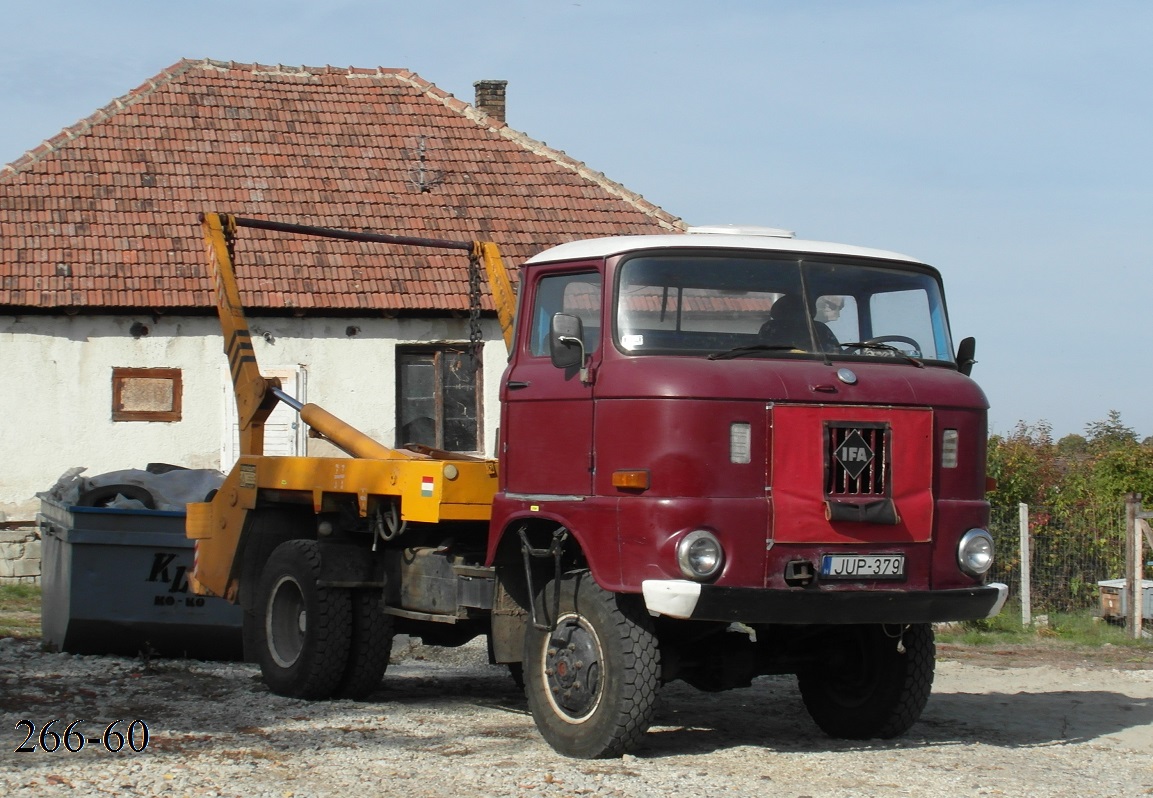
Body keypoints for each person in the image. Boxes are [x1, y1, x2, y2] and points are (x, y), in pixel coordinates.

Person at [759, 294, 840, 352]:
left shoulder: (819, 329)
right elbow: (761, 352)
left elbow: (836, 354)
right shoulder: (771, 327)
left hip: (815, 365)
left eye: (799, 309)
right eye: (790, 309)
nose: (794, 313)